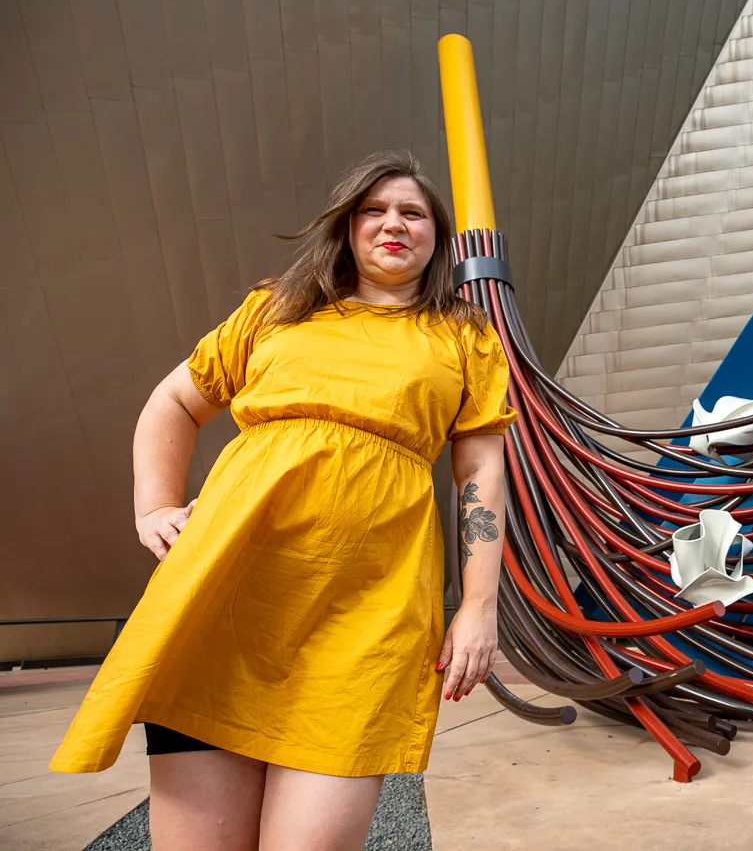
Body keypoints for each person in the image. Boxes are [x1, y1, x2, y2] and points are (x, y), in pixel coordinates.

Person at [50, 149, 517, 851]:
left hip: (366, 613)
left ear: (436, 237)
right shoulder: (278, 308)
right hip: (226, 600)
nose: (393, 223)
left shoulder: (462, 334)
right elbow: (174, 400)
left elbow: (480, 471)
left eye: (412, 213)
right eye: (374, 209)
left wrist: (479, 606)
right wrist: (154, 506)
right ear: (347, 227)